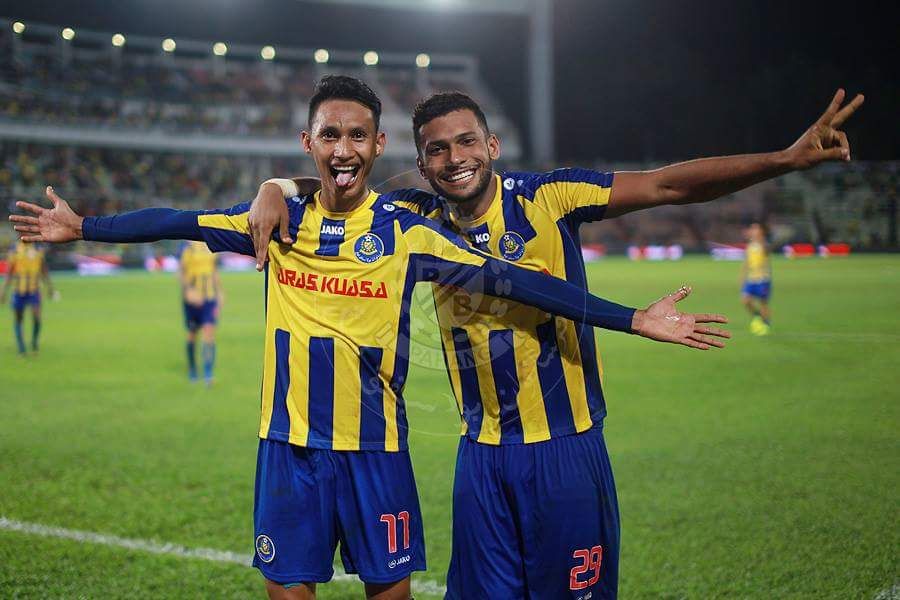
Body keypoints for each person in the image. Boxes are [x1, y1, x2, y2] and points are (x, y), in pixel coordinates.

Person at [10, 76, 728, 600]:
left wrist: (629, 317)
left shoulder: (407, 228)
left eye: (358, 136)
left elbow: (519, 282)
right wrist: (85, 227)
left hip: (378, 451)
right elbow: (178, 219)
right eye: (330, 135)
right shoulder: (277, 222)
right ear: (309, 144)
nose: (344, 148)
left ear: (379, 146)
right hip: (287, 447)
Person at [251, 87, 861, 599]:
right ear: (422, 162)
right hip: (480, 459)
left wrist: (784, 158)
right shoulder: (412, 214)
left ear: (492, 147)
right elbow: (336, 184)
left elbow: (667, 187)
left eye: (467, 141)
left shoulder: (550, 197)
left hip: (564, 451)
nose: (454, 158)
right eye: (437, 149)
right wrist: (275, 186)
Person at [178, 240, 223, 383]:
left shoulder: (211, 243)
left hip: (210, 297)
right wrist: (188, 291)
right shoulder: (187, 247)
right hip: (192, 299)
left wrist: (220, 291)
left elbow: (214, 270)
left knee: (209, 331)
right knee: (192, 334)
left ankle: (208, 372)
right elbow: (181, 272)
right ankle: (192, 369)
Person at [1, 241, 55, 355]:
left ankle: (34, 342)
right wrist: (3, 291)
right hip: (18, 291)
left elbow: (43, 270)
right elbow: (9, 273)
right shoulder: (14, 249)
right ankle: (21, 347)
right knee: (19, 318)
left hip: (34, 290)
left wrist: (49, 287)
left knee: (37, 317)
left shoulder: (38, 249)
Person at [741, 222, 772, 336]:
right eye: (752, 229)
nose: (753, 231)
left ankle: (765, 324)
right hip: (751, 279)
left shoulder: (763, 244)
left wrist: (760, 239)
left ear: (761, 231)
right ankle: (757, 316)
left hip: (762, 279)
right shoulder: (750, 245)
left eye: (756, 229)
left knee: (763, 304)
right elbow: (747, 262)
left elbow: (767, 251)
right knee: (745, 300)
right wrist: (742, 276)